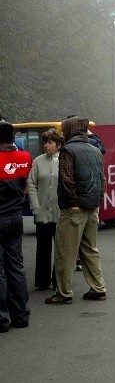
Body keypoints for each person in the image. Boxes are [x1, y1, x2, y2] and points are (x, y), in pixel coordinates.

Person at [45, 116, 107, 304]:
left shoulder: (68, 150)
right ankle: (98, 288)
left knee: (65, 251)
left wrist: (72, 202)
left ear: (70, 130)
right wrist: (98, 199)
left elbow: (67, 179)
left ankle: (63, 293)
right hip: (92, 206)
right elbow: (101, 178)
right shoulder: (95, 150)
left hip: (75, 209)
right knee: (90, 250)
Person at [0, 122, 32, 333]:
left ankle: (2, 319)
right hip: (15, 217)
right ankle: (20, 315)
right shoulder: (25, 158)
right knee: (16, 265)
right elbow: (25, 185)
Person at [28, 128, 64, 291]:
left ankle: (59, 280)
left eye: (50, 142)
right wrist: (36, 207)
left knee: (60, 248)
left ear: (58, 144)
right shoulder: (38, 161)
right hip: (42, 210)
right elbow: (31, 184)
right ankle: (42, 281)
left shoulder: (65, 160)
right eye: (45, 142)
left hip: (60, 212)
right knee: (42, 248)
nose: (46, 146)